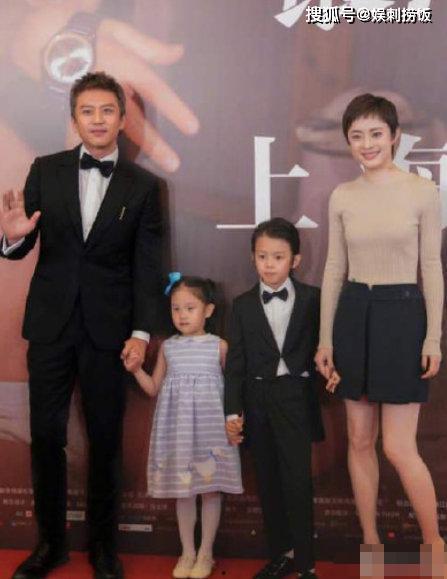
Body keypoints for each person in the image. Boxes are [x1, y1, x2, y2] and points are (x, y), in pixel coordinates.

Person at [0, 71, 162, 579]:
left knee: (105, 440)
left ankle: (104, 548)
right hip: (50, 326)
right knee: (47, 437)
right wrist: (12, 237)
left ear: (122, 119)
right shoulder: (45, 170)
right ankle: (50, 545)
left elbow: (149, 267)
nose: (97, 119)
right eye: (87, 111)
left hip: (109, 331)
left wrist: (140, 334)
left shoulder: (144, 186)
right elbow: (22, 244)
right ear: (74, 119)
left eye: (107, 110)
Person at [315, 94, 444, 563]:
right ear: (347, 142)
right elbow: (334, 268)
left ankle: (434, 548)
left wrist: (433, 337)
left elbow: (431, 267)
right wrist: (326, 338)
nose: (367, 144)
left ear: (394, 136)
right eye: (357, 136)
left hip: (403, 315)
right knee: (358, 439)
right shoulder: (342, 196)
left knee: (399, 447)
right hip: (354, 312)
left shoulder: (422, 192)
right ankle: (371, 546)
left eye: (375, 134)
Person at [224, 218, 324, 579]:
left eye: (278, 257)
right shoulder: (242, 304)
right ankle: (282, 554)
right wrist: (232, 412)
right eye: (262, 256)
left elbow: (327, 346)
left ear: (295, 260)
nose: (269, 264)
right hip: (257, 401)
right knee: (267, 482)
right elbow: (235, 365)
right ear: (252, 257)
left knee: (298, 482)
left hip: (296, 397)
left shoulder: (313, 298)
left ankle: (306, 564)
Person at [125, 275, 242, 579]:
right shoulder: (168, 348)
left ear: (209, 310)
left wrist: (236, 419)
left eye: (190, 308)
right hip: (179, 432)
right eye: (176, 308)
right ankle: (187, 552)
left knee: (211, 491)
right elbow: (153, 388)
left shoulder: (219, 346)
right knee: (184, 493)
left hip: (211, 431)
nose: (182, 315)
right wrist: (136, 370)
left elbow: (235, 389)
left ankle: (206, 553)